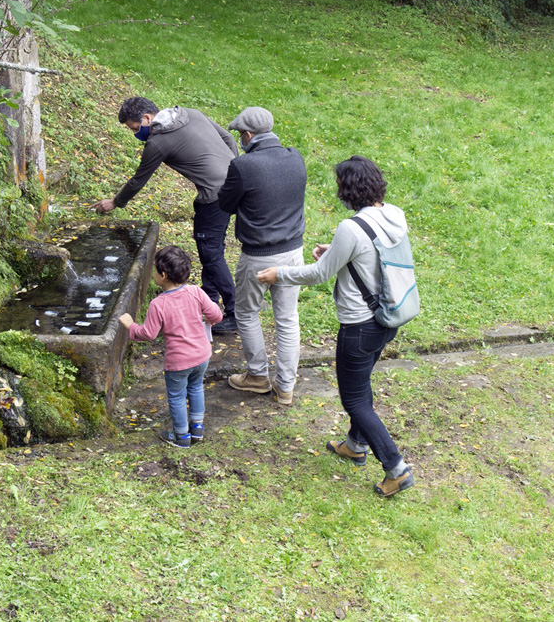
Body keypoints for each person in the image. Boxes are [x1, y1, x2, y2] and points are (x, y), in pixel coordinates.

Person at [257, 156, 414, 498]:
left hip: (359, 326)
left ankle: (396, 469)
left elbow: (318, 274)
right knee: (362, 387)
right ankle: (355, 445)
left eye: (340, 185)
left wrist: (278, 274)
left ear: (350, 189)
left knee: (355, 400)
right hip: (389, 319)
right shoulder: (394, 215)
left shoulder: (351, 228)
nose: (338, 191)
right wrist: (336, 252)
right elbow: (376, 255)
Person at [93, 97, 239, 333]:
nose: (135, 134)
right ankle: (210, 300)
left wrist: (116, 202)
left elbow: (139, 179)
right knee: (210, 247)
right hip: (230, 188)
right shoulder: (190, 112)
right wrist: (234, 172)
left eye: (134, 128)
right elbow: (229, 138)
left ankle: (235, 314)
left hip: (215, 196)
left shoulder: (158, 142)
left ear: (147, 118)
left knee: (210, 252)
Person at [217, 106, 307, 406]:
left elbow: (225, 204)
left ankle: (257, 375)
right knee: (287, 318)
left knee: (245, 312)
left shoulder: (244, 165)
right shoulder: (296, 157)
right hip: (294, 252)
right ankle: (286, 387)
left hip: (257, 255)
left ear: (247, 134)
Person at [120, 245, 223, 448]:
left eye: (155, 271)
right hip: (202, 356)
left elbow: (148, 334)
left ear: (164, 275)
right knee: (195, 388)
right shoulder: (196, 292)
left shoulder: (158, 304)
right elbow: (217, 316)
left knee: (176, 397)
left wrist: (130, 326)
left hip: (178, 362)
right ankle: (198, 428)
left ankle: (182, 437)